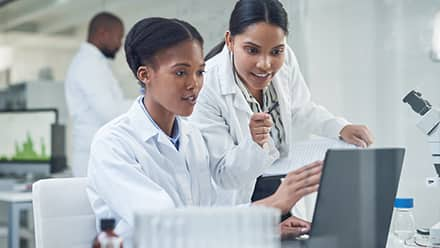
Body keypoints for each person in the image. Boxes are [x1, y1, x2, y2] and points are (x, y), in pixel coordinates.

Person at [87, 17, 322, 247]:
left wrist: (265, 230)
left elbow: (211, 214)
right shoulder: (113, 144)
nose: (194, 84)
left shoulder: (192, 137)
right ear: (145, 75)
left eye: (200, 72)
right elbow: (166, 225)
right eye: (181, 73)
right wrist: (271, 205)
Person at [190, 0, 374, 212]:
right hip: (242, 201)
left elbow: (301, 108)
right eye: (252, 50)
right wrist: (255, 144)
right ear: (230, 41)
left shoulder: (286, 58)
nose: (265, 64)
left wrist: (339, 127)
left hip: (282, 188)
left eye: (276, 51)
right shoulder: (206, 86)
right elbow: (223, 175)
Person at [65, 12, 132, 177]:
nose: (119, 44)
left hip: (97, 152)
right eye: (119, 37)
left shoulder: (95, 63)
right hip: (91, 156)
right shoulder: (88, 64)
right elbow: (110, 112)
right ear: (103, 33)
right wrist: (150, 102)